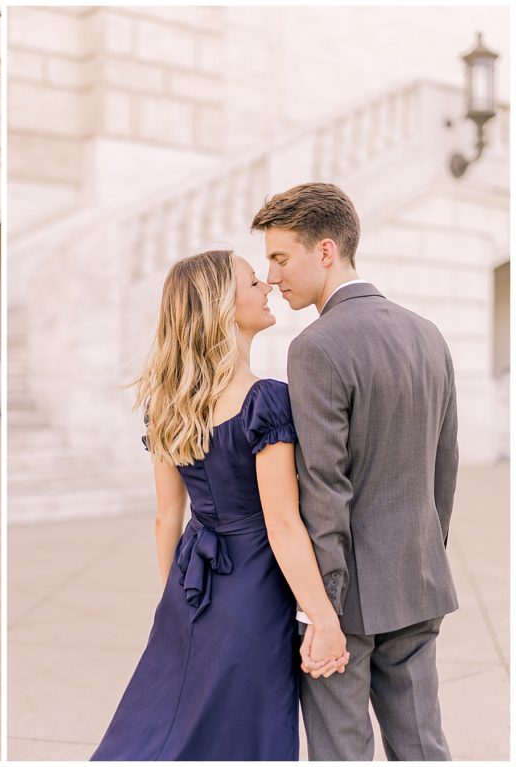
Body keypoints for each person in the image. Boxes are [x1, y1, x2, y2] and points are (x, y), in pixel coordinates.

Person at [91, 249, 349, 761]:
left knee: (164, 721)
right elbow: (282, 523)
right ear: (223, 308)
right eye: (254, 282)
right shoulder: (265, 401)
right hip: (252, 591)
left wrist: (175, 603)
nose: (268, 287)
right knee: (241, 733)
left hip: (191, 583)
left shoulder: (167, 402)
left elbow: (168, 517)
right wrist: (324, 619)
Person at [252, 182, 458, 760]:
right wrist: (425, 554)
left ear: (324, 251)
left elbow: (325, 489)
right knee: (423, 747)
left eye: (280, 257)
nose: (271, 276)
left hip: (346, 602)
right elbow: (445, 466)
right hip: (417, 580)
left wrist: (322, 612)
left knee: (342, 752)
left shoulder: (317, 346)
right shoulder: (428, 334)